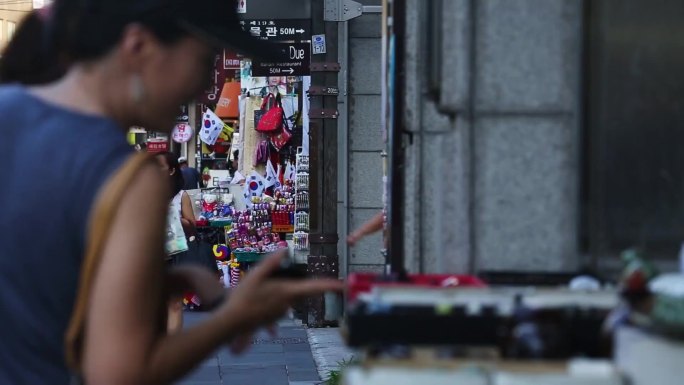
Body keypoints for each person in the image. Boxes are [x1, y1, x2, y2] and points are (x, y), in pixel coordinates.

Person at [0, 2, 342, 385]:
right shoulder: (128, 178)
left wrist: (147, 284)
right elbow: (120, 373)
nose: (202, 88)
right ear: (138, 45)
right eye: (202, 61)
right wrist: (233, 316)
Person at [157, 152, 198, 333]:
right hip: (150, 256)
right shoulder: (145, 192)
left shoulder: (181, 196)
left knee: (174, 303)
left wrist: (173, 216)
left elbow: (192, 226)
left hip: (175, 254)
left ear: (172, 170)